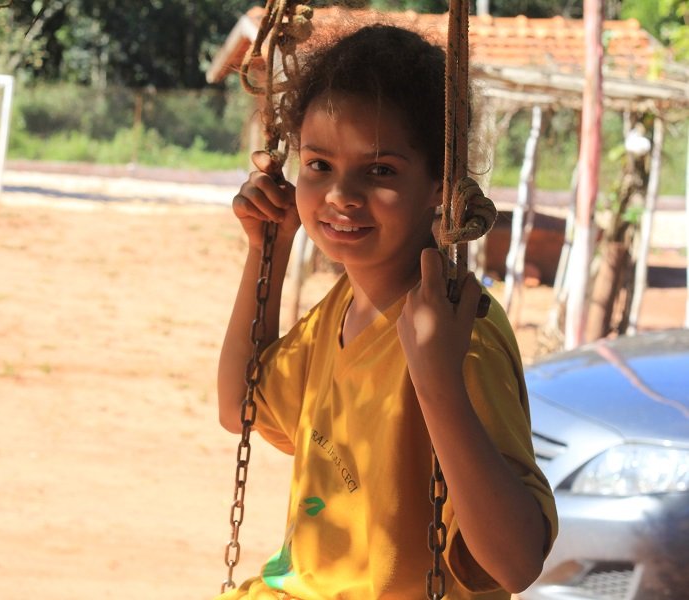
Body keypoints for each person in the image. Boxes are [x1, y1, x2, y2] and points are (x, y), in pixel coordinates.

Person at [217, 22, 557, 599]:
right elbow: (239, 408)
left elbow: (516, 563)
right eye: (319, 164)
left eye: (379, 171)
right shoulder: (341, 309)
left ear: (440, 184)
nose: (340, 195)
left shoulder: (460, 336)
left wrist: (437, 382)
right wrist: (267, 251)